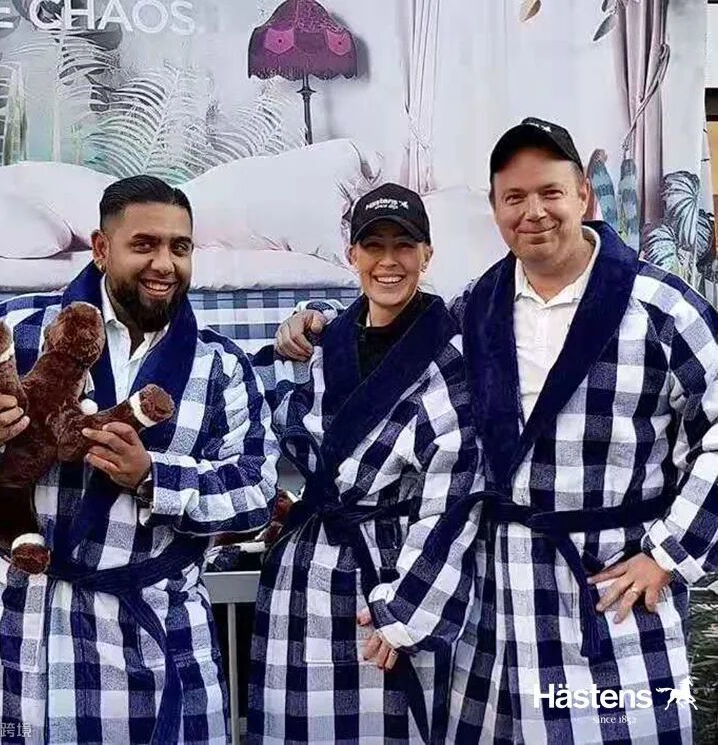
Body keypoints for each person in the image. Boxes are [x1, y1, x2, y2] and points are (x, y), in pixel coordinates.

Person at [275, 119, 718, 744]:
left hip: (608, 587)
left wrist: (668, 554)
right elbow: (395, 337)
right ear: (495, 208)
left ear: (583, 196)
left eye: (550, 192)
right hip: (496, 597)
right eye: (514, 197)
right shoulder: (477, 306)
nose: (533, 212)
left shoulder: (661, 307)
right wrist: (313, 324)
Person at [0, 175, 279, 744]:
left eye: (180, 247)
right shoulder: (16, 332)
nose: (164, 263)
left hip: (160, 637)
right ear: (100, 248)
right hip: (27, 634)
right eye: (144, 244)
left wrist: (154, 477)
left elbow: (256, 494)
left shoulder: (220, 366)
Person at [246, 183, 483, 744]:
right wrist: (296, 330)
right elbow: (264, 403)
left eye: (404, 246)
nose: (388, 261)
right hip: (305, 570)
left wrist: (407, 610)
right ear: (351, 254)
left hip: (389, 571)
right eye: (374, 246)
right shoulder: (324, 342)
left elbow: (454, 501)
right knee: (298, 724)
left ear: (427, 254)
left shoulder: (452, 357)